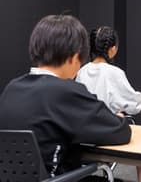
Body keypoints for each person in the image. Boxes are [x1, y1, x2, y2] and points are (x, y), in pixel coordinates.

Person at [0, 15, 131, 179]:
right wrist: (119, 118)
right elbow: (121, 131)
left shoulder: (11, 88)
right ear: (75, 57)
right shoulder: (67, 91)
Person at [76, 26, 141, 182]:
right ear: (112, 50)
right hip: (105, 137)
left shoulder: (82, 71)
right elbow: (132, 104)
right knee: (138, 137)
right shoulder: (114, 73)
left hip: (82, 138)